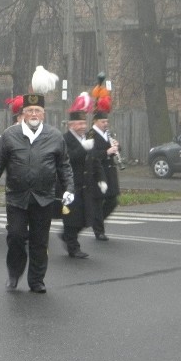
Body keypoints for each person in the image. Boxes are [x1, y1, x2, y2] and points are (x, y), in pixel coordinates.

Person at [0, 90, 75, 293]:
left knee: (40, 241)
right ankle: (14, 273)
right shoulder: (9, 135)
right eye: (29, 110)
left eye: (37, 110)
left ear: (43, 114)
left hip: (44, 198)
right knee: (15, 236)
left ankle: (37, 280)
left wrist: (69, 189)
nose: (33, 114)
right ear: (22, 113)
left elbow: (64, 166)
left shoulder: (55, 136)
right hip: (17, 197)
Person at [60, 95, 104, 259]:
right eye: (79, 123)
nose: (82, 126)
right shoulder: (65, 139)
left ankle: (66, 235)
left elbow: (94, 160)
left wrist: (101, 178)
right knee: (72, 218)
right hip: (71, 185)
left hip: (86, 185)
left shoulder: (87, 139)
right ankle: (73, 247)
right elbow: (67, 159)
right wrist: (82, 149)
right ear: (71, 125)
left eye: (84, 123)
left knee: (86, 218)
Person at [87, 102, 120, 242]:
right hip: (98, 172)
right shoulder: (91, 134)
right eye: (103, 121)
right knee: (98, 202)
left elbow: (114, 150)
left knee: (112, 200)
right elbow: (91, 155)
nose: (106, 124)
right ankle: (98, 230)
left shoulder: (107, 133)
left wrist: (117, 147)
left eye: (106, 121)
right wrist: (107, 152)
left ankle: (97, 221)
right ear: (95, 121)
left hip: (110, 171)